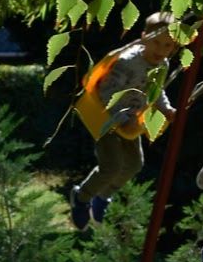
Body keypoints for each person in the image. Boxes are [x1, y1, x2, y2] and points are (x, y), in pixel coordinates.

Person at [70, 14, 181, 228]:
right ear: (144, 37)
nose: (160, 49)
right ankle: (82, 196)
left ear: (173, 47)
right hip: (105, 116)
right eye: (156, 42)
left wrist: (166, 108)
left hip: (131, 118)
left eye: (167, 45)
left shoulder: (163, 64)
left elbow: (156, 90)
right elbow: (106, 93)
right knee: (112, 165)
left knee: (133, 164)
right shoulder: (127, 62)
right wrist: (121, 119)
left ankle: (103, 196)